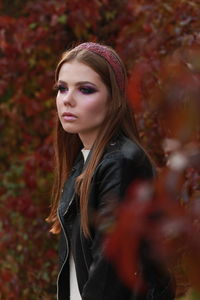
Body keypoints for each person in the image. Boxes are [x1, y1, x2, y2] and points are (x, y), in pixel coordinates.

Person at [46, 42, 175, 300]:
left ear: (113, 99)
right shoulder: (84, 162)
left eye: (85, 89)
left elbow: (110, 273)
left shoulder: (122, 162)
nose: (67, 99)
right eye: (62, 88)